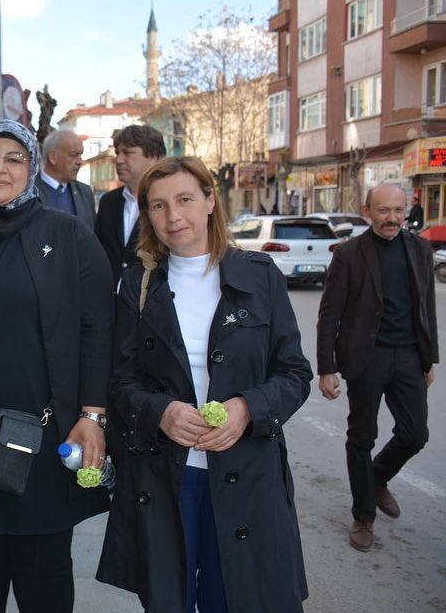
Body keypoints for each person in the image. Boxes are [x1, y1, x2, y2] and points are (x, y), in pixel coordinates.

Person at [96, 156, 312, 612]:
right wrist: (161, 413)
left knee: (238, 598)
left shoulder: (260, 275)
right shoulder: (136, 283)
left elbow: (294, 373)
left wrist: (248, 408)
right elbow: (119, 381)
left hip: (249, 474)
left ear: (211, 201)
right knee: (169, 601)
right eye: (157, 206)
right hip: (166, 477)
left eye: (185, 200)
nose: (173, 216)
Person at [0, 119, 113, 613]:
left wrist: (93, 416)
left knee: (46, 573)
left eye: (14, 158)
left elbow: (99, 329)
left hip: (48, 432)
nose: (0, 168)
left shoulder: (69, 234)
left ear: (31, 167)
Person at [317, 184, 437, 552]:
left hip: (409, 355)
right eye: (384, 211)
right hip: (366, 358)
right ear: (367, 210)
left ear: (408, 210)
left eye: (399, 211)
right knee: (361, 437)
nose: (392, 218)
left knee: (415, 434)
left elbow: (427, 305)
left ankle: (378, 477)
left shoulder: (419, 248)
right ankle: (363, 515)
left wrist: (429, 357)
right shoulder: (350, 254)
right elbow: (329, 314)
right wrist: (327, 367)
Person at [94, 124, 166, 290]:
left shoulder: (168, 202)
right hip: (109, 303)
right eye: (117, 153)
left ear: (153, 156)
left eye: (127, 153)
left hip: (150, 303)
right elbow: (99, 254)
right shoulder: (108, 202)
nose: (118, 160)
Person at [35, 129, 95, 226]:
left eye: (80, 155)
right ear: (53, 157)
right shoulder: (27, 191)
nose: (80, 162)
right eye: (74, 155)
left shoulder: (85, 192)